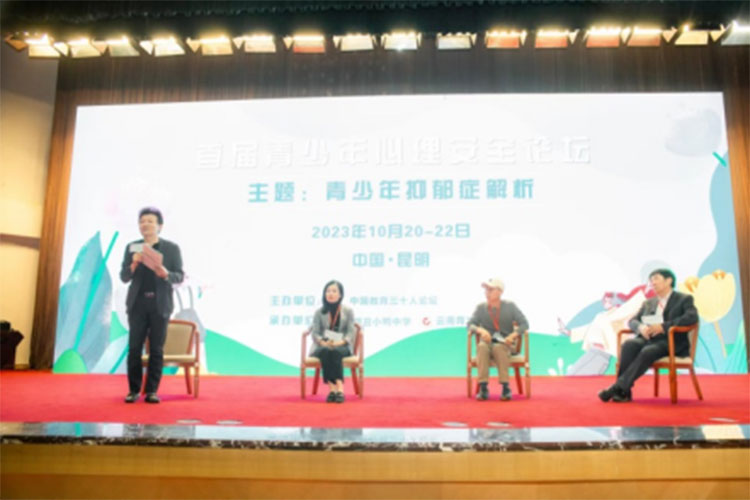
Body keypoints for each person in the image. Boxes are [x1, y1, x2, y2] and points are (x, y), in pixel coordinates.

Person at [598, 268, 698, 403]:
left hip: (670, 341)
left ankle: (617, 388)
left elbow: (691, 317)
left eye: (656, 279)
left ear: (668, 281)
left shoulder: (683, 299)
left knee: (648, 351)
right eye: (651, 280)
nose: (652, 283)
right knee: (629, 345)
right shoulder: (649, 302)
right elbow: (632, 321)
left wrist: (663, 327)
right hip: (648, 339)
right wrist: (641, 328)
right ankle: (623, 391)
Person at [120, 207, 184, 403]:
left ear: (159, 226)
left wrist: (166, 274)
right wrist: (133, 265)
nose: (145, 225)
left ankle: (152, 391)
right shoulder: (132, 247)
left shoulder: (171, 248)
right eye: (142, 221)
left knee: (156, 349)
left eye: (150, 221)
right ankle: (133, 390)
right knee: (134, 348)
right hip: (137, 304)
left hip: (160, 305)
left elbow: (179, 276)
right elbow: (124, 277)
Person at [468, 278, 529, 401]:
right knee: (482, 346)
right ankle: (483, 387)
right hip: (487, 343)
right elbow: (470, 324)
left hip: (505, 344)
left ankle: (506, 388)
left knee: (498, 347)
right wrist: (481, 330)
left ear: (500, 292)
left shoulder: (510, 306)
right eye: (486, 290)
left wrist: (512, 336)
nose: (487, 293)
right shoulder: (481, 307)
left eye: (490, 290)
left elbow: (524, 324)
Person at [309, 280, 356, 403]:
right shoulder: (319, 312)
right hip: (322, 346)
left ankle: (339, 388)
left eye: (334, 291)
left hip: (342, 345)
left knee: (334, 352)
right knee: (326, 351)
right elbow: (315, 333)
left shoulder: (348, 311)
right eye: (328, 291)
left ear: (340, 295)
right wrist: (322, 342)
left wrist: (340, 342)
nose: (330, 294)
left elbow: (351, 332)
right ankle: (332, 389)